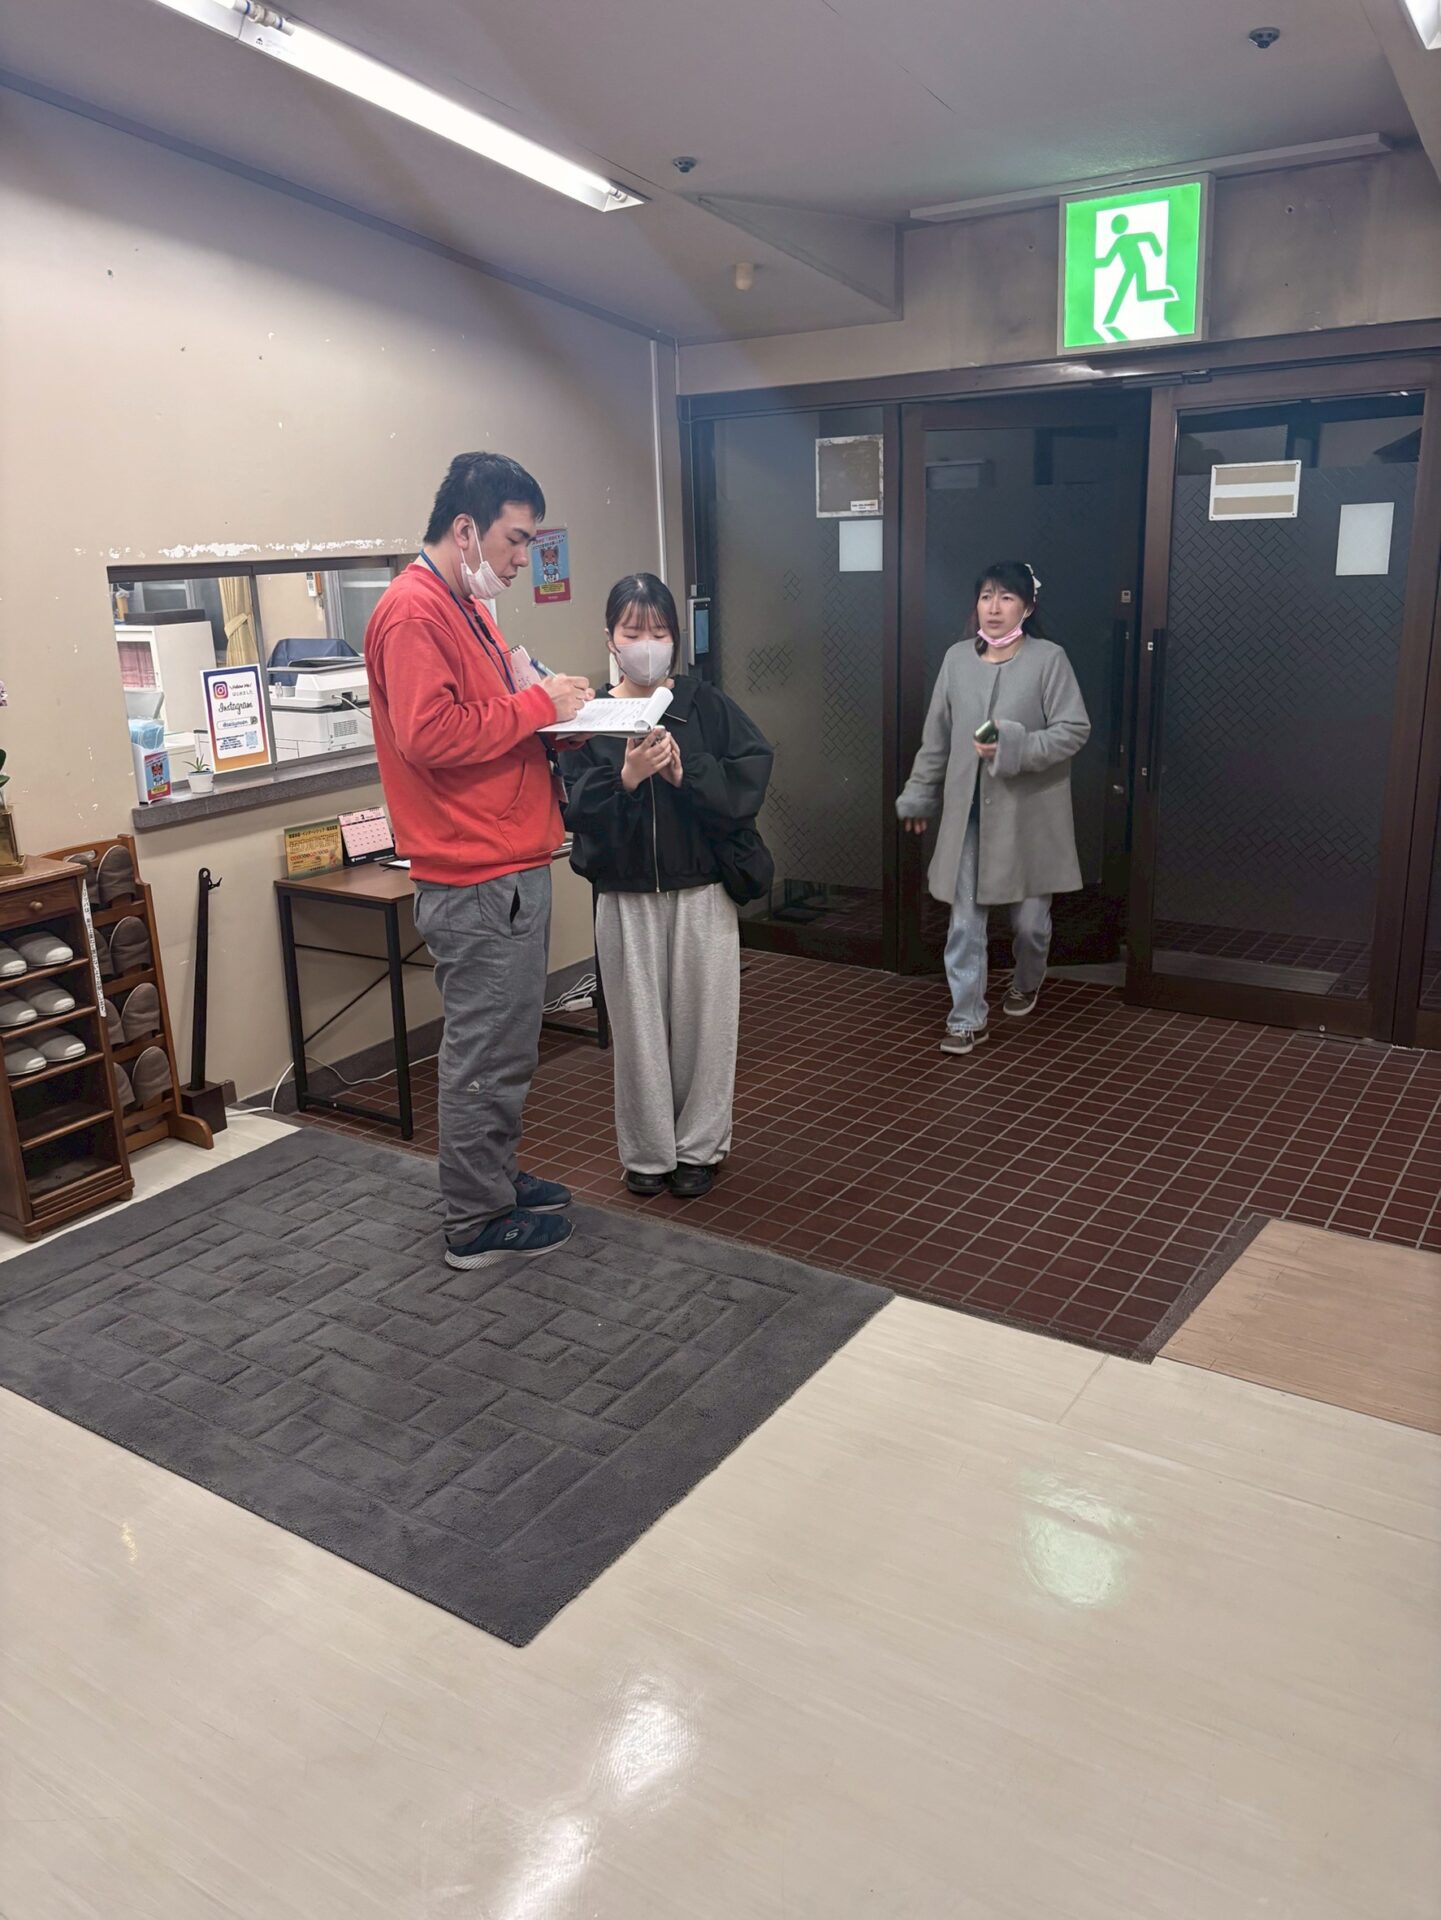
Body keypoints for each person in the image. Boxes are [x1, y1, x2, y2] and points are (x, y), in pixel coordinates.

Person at [365, 452, 594, 1268]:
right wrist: (536, 705)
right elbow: (429, 736)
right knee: (484, 1056)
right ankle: (475, 1218)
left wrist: (555, 719)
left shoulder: (465, 606)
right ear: (465, 529)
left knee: (505, 1048)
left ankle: (490, 1178)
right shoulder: (413, 613)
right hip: (474, 874)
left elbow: (490, 717)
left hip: (507, 862)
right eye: (515, 539)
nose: (523, 558)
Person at [562, 573, 773, 1198]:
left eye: (659, 632)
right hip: (625, 896)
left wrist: (689, 774)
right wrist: (626, 779)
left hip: (702, 890)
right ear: (610, 638)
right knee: (636, 1032)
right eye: (633, 632)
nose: (647, 644)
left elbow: (750, 775)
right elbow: (575, 805)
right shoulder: (591, 719)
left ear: (676, 639)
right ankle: (648, 1152)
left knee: (708, 1027)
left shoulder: (705, 705)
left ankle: (699, 1147)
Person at [896, 560, 1090, 1055]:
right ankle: (966, 1018)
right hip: (968, 815)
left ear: (1028, 606)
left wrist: (1015, 745)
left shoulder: (1049, 659)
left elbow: (1074, 730)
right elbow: (936, 738)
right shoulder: (957, 660)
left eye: (1006, 597)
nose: (994, 607)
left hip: (1028, 814)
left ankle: (1027, 981)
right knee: (964, 923)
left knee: (1029, 925)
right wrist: (920, 793)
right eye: (986, 596)